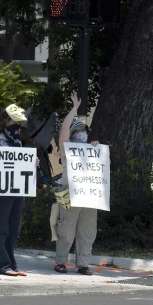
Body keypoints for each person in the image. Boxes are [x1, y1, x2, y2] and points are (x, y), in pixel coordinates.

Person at [0, 104, 36, 277]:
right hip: (2, 194)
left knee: (13, 229)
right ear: (5, 121)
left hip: (17, 192)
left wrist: (33, 164)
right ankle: (1, 265)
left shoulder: (16, 142)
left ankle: (11, 264)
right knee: (1, 229)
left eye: (20, 122)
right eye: (15, 121)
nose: (18, 126)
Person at [53, 91, 100, 276]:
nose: (82, 134)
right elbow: (64, 130)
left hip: (89, 195)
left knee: (88, 230)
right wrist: (74, 109)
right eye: (78, 131)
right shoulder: (66, 149)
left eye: (84, 131)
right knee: (65, 228)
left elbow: (106, 166)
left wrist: (98, 150)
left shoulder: (92, 149)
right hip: (67, 191)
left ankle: (83, 263)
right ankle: (61, 261)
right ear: (72, 135)